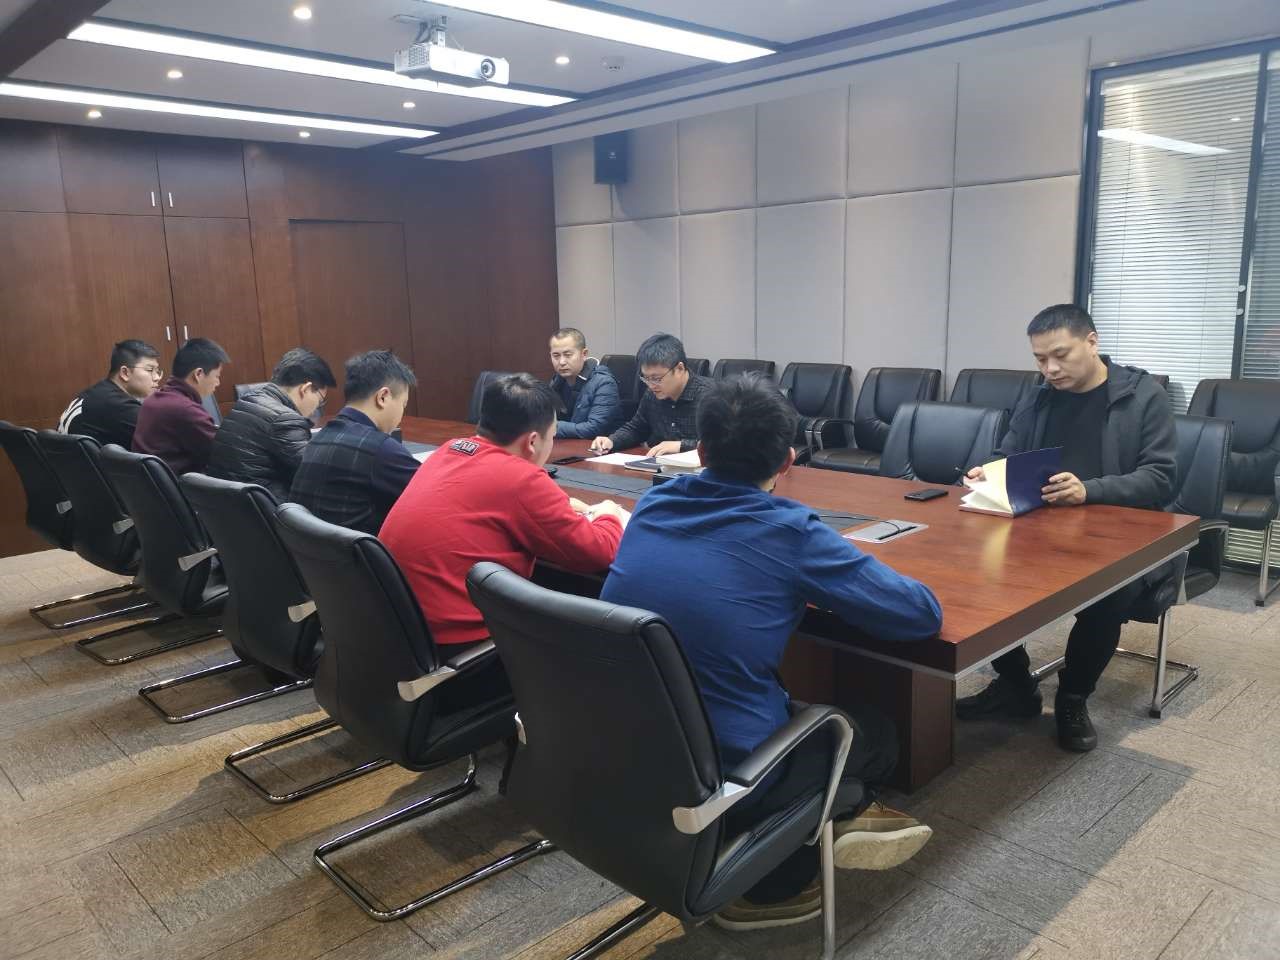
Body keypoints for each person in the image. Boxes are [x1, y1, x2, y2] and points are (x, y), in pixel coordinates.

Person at [600, 373, 941, 931]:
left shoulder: (654, 503)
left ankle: (832, 812)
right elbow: (919, 614)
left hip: (628, 745)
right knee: (875, 734)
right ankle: (792, 855)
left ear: (701, 452)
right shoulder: (792, 532)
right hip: (729, 770)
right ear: (787, 461)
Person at [956, 304, 1176, 752]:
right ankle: (1016, 686)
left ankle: (1074, 697)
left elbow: (1160, 477)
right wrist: (989, 472)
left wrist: (1088, 490)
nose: (1050, 369)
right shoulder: (1039, 395)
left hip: (1118, 534)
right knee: (974, 579)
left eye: (1060, 355)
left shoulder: (1143, 396)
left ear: (1091, 342)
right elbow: (1008, 453)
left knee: (1107, 598)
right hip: (1039, 527)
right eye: (1040, 359)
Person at [381, 372, 628, 649]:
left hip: (399, 632)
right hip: (462, 644)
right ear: (533, 441)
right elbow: (596, 552)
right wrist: (608, 513)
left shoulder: (451, 449)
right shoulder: (521, 479)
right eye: (552, 437)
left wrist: (558, 502)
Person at [289, 349, 420, 535]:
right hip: (359, 552)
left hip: (309, 551)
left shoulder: (319, 438)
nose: (401, 415)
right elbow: (435, 499)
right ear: (383, 397)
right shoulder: (381, 450)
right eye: (403, 404)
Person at [207, 348, 337, 500]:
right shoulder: (285, 419)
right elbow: (314, 476)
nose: (317, 407)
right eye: (320, 401)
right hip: (263, 508)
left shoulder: (248, 400)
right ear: (306, 389)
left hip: (226, 504)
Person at [589, 333, 711, 456]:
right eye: (646, 378)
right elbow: (636, 429)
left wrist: (681, 446)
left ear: (679, 368)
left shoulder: (711, 396)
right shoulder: (652, 393)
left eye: (656, 378)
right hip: (656, 463)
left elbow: (719, 445)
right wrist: (611, 441)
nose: (651, 385)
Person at [132, 338, 229, 475]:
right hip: (183, 484)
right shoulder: (185, 410)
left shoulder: (153, 400)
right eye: (217, 376)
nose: (218, 383)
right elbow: (226, 454)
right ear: (198, 374)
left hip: (152, 483)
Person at [58, 339, 163, 449]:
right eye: (150, 370)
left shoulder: (99, 393)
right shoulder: (118, 406)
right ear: (125, 373)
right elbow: (164, 437)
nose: (157, 377)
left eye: (157, 371)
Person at [547, 327, 622, 439]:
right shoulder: (557, 381)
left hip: (600, 446)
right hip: (569, 443)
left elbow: (594, 429)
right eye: (556, 356)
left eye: (568, 355)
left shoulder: (604, 383)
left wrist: (549, 427)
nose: (561, 362)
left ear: (584, 354)